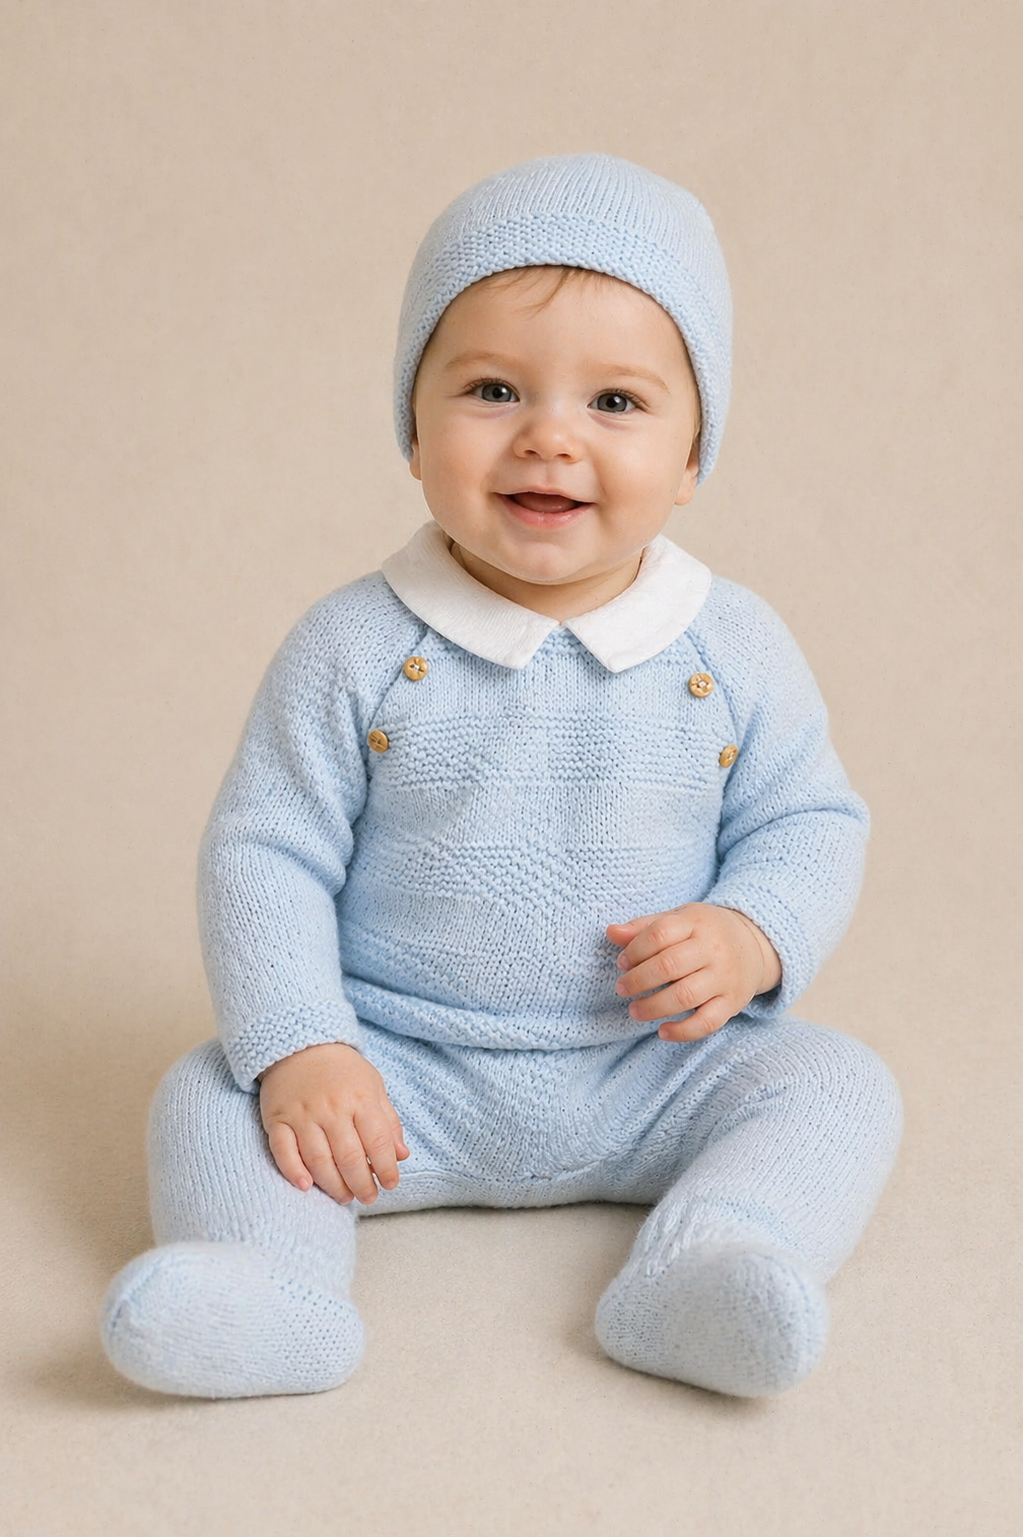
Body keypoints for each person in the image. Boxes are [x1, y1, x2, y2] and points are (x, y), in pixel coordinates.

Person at [99, 153, 902, 1400]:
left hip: (652, 1070)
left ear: (695, 454)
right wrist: (305, 1044)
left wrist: (752, 935)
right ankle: (271, 1286)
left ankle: (711, 1261)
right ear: (413, 428)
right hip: (394, 1075)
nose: (550, 437)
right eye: (492, 389)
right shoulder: (356, 647)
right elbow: (264, 851)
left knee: (839, 1084)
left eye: (617, 402)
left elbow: (809, 820)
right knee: (207, 1091)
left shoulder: (733, 648)